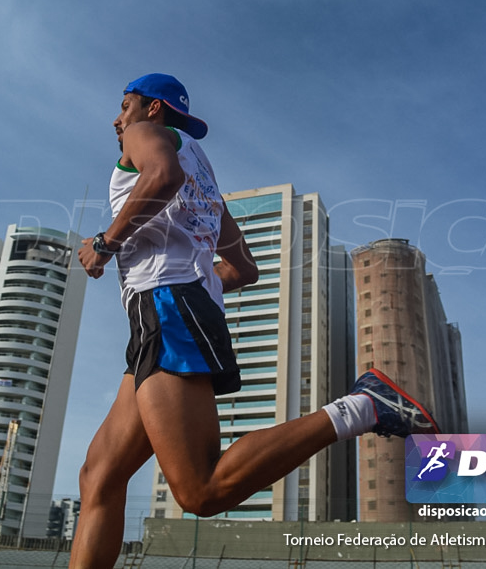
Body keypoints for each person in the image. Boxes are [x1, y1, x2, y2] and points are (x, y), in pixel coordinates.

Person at [71, 73, 439, 569]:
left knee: (200, 491)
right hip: (166, 312)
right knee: (100, 476)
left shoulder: (147, 137)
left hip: (166, 308)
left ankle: (363, 407)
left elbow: (162, 178)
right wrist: (200, 284)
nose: (118, 118)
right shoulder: (203, 174)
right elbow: (244, 268)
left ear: (152, 109)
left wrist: (104, 244)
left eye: (125, 105)